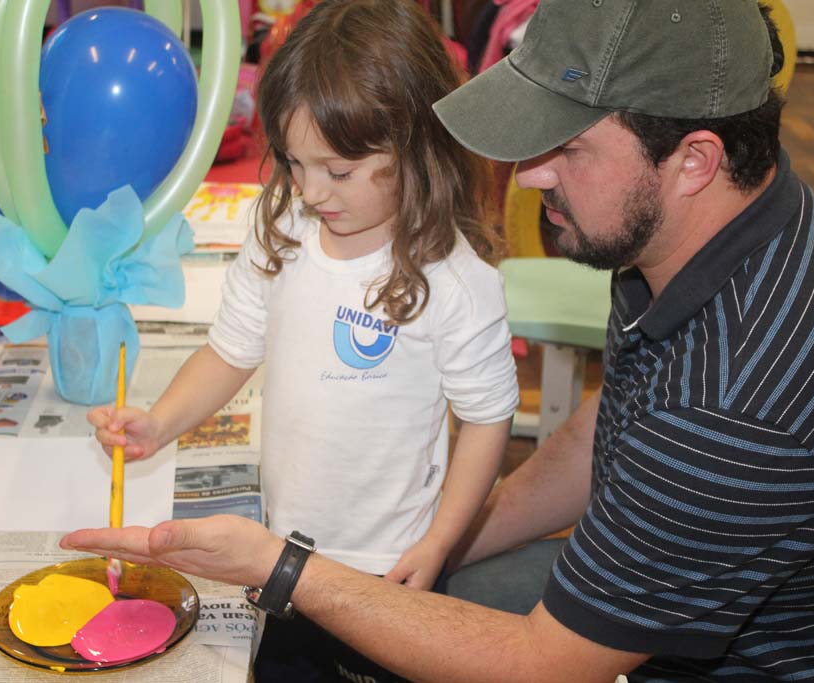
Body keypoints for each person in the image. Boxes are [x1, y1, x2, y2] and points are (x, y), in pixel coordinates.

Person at [65, 1, 814, 681]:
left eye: (568, 147)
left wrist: (286, 569)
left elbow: (544, 664)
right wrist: (451, 536)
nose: (530, 173)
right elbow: (616, 427)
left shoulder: (732, 409)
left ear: (695, 160)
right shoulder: (725, 231)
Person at [84, 1, 518, 681]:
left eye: (338, 171)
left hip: (387, 567)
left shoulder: (455, 282)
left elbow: (488, 421)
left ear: (417, 147)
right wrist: (160, 422)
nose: (311, 191)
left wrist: (440, 541)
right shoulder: (282, 227)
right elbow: (229, 350)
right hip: (280, 549)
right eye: (293, 161)